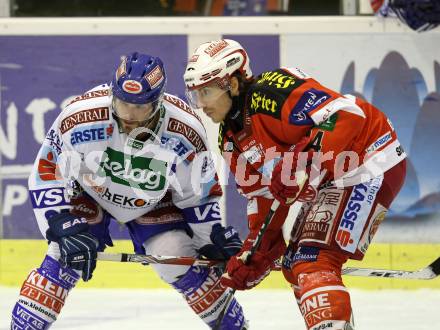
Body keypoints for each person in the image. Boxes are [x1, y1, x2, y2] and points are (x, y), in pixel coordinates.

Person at [11, 52, 249, 330]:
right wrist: (60, 224)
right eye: (123, 104)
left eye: (140, 108)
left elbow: (199, 195)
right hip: (89, 191)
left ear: (158, 103)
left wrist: (209, 240)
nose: (129, 117)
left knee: (175, 256)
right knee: (63, 257)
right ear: (113, 93)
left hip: (153, 200)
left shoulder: (185, 131)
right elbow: (46, 170)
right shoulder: (80, 116)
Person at [183, 39, 407, 330]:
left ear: (234, 84)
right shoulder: (229, 138)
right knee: (294, 263)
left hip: (370, 161)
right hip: (333, 181)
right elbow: (264, 200)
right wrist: (256, 253)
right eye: (195, 94)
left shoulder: (272, 91)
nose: (201, 104)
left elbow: (347, 116)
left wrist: (304, 163)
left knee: (314, 259)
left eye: (207, 91)